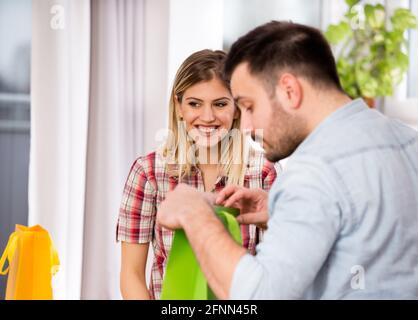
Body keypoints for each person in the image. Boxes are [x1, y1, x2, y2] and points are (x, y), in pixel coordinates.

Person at [156, 21, 418, 299]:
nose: (245, 126)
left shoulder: (314, 170)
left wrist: (196, 214)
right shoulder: (406, 140)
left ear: (290, 91)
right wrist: (280, 211)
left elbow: (258, 296)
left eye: (249, 106)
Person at [117, 49, 278, 299]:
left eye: (220, 104)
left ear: (237, 108)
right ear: (179, 106)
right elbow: (132, 274)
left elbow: (275, 274)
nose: (207, 117)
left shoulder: (263, 173)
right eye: (194, 104)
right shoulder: (147, 172)